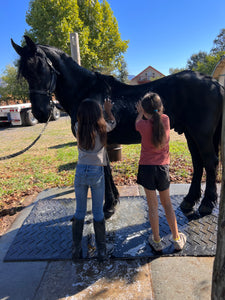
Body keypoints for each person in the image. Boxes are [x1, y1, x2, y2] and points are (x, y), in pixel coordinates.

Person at [135, 92, 186, 252]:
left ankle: (156, 241)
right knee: (168, 205)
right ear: (160, 107)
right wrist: (147, 111)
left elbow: (138, 123)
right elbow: (157, 116)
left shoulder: (141, 125)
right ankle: (177, 238)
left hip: (146, 168)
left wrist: (140, 114)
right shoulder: (166, 120)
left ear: (144, 109)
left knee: (152, 206)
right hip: (162, 168)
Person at [71, 98, 116, 262]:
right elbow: (112, 122)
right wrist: (107, 110)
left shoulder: (77, 128)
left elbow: (82, 122)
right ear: (98, 114)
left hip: (80, 171)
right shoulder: (103, 128)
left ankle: (76, 250)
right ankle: (102, 252)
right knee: (97, 212)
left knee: (79, 211)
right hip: (97, 171)